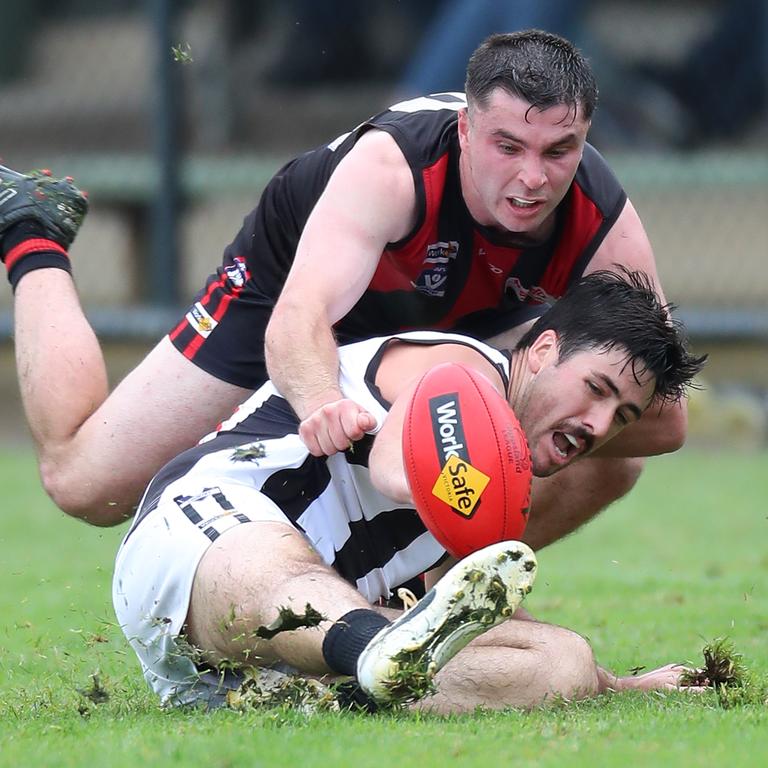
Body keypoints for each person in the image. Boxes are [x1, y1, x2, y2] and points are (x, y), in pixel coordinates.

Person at [0, 30, 686, 530]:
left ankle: (433, 598)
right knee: (85, 484)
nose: (534, 178)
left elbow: (664, 417)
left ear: (586, 138)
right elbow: (299, 320)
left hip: (436, 330)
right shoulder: (393, 168)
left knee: (612, 461)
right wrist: (322, 399)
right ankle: (32, 230)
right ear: (467, 131)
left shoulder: (601, 218)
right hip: (292, 294)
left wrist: (526, 425)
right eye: (509, 147)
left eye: (559, 151)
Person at [113, 270, 706, 711]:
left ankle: (333, 696)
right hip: (198, 541)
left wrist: (613, 682)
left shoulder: (493, 472)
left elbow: (464, 607)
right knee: (288, 575)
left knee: (559, 660)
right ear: (545, 351)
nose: (600, 425)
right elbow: (402, 467)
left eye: (623, 417)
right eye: (597, 389)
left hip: (246, 669)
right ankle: (370, 656)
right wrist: (472, 513)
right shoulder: (465, 372)